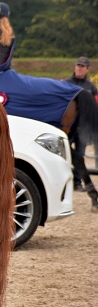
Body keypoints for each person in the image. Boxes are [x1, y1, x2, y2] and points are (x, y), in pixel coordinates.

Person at [65, 56, 98, 205]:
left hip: (82, 127)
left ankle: (77, 182)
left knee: (80, 153)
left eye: (82, 66)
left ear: (87, 69)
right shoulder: (65, 84)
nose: (79, 68)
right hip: (69, 126)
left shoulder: (90, 87)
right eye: (78, 65)